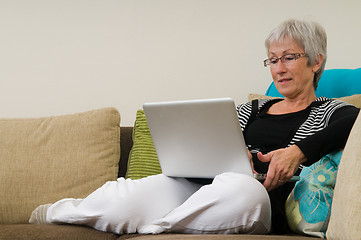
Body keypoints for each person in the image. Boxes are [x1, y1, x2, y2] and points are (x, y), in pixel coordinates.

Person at [29, 19, 359, 235]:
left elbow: (352, 120)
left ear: (316, 61)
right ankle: (63, 211)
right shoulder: (252, 109)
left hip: (254, 199)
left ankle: (154, 225)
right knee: (134, 191)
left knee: (240, 190)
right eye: (272, 60)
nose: (279, 68)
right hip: (202, 189)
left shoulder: (331, 110)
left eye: (289, 57)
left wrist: (297, 152)